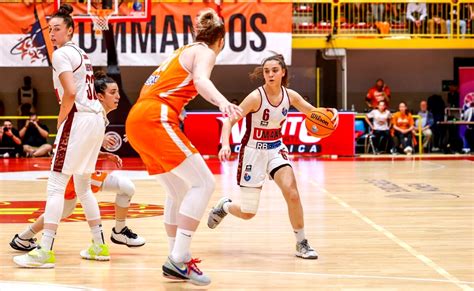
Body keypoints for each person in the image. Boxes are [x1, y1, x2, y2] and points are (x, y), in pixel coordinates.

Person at [125, 8, 241, 286]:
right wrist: (223, 103)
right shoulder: (205, 51)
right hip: (156, 116)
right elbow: (201, 80)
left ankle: (174, 257)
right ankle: (179, 258)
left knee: (177, 191)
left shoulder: (181, 51)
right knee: (204, 184)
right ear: (221, 40)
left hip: (137, 118)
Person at [207, 54, 338, 260]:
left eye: (274, 70)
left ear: (283, 72)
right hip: (252, 152)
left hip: (276, 148)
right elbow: (228, 122)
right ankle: (224, 205)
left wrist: (331, 116)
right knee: (248, 212)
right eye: (266, 71)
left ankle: (301, 242)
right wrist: (224, 144)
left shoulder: (291, 96)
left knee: (292, 193)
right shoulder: (255, 97)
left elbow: (314, 114)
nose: (270, 74)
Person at [13, 5, 109, 268]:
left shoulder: (61, 54)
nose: (52, 33)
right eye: (50, 29)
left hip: (78, 118)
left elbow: (68, 92)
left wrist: (61, 118)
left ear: (70, 29)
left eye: (57, 28)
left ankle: (45, 249)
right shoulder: (82, 53)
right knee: (83, 187)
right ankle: (99, 245)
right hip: (96, 118)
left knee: (56, 185)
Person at [10, 168, 145, 251]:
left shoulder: (91, 122)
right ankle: (113, 235)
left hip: (79, 168)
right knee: (126, 187)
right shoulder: (81, 122)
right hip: (74, 170)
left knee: (63, 211)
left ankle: (23, 238)